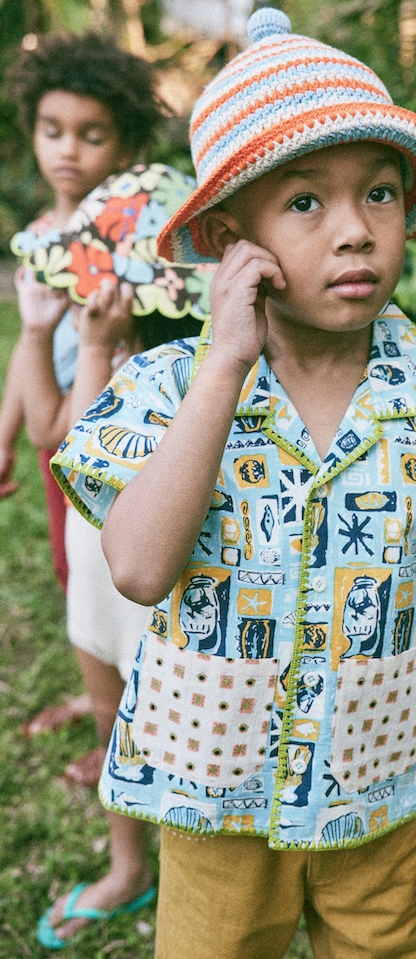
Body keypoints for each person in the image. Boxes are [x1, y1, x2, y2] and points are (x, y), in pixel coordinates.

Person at [51, 8, 416, 959]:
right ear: (236, 237)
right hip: (213, 799)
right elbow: (140, 569)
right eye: (306, 202)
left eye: (382, 194)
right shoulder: (162, 391)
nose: (356, 232)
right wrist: (221, 369)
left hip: (381, 802)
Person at [17, 268, 202, 948]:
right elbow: (60, 441)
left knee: (174, 744)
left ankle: (185, 878)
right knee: (112, 734)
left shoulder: (199, 373)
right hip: (98, 587)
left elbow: (94, 457)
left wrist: (96, 351)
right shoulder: (115, 351)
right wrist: (60, 336)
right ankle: (129, 868)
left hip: (155, 595)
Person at [0, 30, 168, 758]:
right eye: (53, 131)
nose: (67, 149)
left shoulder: (129, 237)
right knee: (75, 578)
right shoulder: (40, 235)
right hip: (55, 417)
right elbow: (27, 346)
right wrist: (3, 432)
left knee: (117, 580)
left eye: (90, 135)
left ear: (125, 146)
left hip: (109, 435)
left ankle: (123, 724)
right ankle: (98, 689)